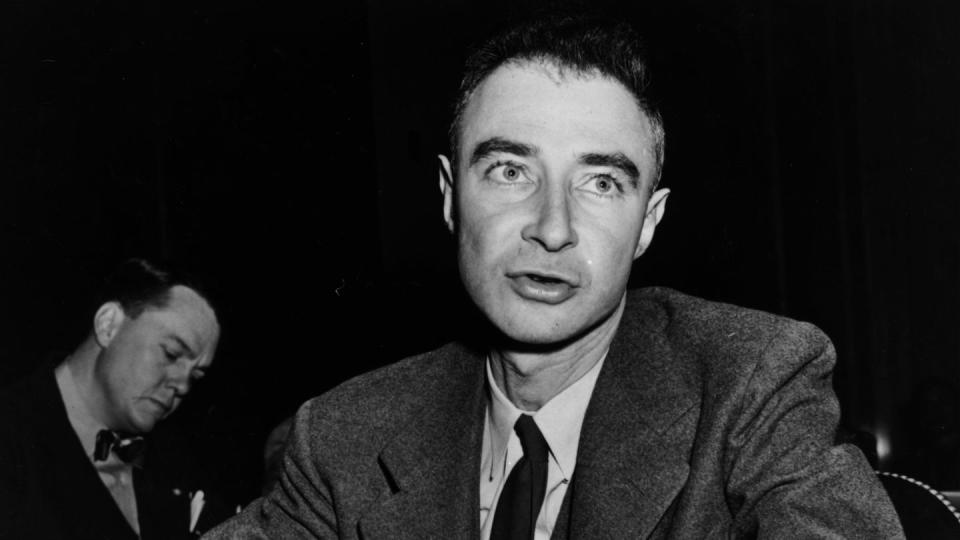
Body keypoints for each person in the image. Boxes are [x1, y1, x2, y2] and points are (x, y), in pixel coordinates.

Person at [208, 14, 904, 539]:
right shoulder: (345, 436)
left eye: (601, 182)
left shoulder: (751, 384)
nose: (552, 225)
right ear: (451, 197)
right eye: (510, 170)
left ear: (650, 222)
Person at [0, 258, 228, 539]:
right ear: (108, 325)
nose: (182, 385)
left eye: (196, 376)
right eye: (170, 353)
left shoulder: (174, 464)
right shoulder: (12, 438)